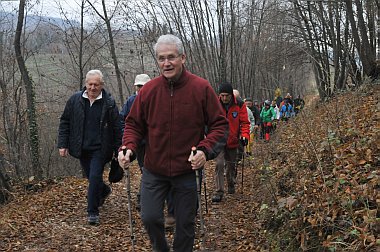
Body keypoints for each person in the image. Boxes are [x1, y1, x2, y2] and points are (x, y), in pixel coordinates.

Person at [118, 34, 228, 252]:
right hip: (154, 170)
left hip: (187, 170)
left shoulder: (201, 88)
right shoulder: (148, 91)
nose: (166, 63)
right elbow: (133, 124)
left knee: (185, 224)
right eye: (161, 58)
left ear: (182, 58)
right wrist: (128, 147)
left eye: (171, 57)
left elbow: (220, 126)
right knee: (149, 218)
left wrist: (205, 151)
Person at [58, 69, 122, 225]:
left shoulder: (109, 103)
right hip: (81, 148)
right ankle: (104, 190)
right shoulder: (75, 100)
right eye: (90, 84)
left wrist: (119, 149)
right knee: (92, 178)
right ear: (85, 84)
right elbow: (65, 121)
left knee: (94, 177)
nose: (93, 87)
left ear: (102, 85)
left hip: (101, 149)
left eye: (96, 84)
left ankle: (92, 212)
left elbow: (117, 127)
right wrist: (63, 144)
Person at [212, 83, 250, 203]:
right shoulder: (214, 104)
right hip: (218, 141)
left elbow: (244, 123)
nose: (224, 98)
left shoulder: (239, 104)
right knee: (219, 164)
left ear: (231, 95)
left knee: (231, 165)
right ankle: (219, 191)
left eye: (226, 96)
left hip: (233, 141)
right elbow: (209, 121)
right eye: (222, 95)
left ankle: (231, 183)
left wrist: (244, 136)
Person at [120, 73, 151, 211]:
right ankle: (143, 197)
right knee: (145, 170)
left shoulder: (155, 99)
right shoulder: (131, 101)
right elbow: (122, 119)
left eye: (143, 86)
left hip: (154, 142)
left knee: (149, 170)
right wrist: (126, 138)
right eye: (139, 86)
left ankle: (145, 197)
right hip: (138, 143)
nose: (141, 89)